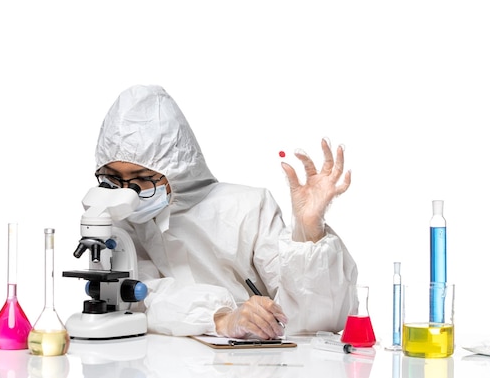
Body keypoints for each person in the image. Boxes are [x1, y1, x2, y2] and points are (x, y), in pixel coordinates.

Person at [93, 84, 358, 339]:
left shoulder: (248, 208)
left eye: (142, 178)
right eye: (114, 178)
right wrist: (221, 318)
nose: (128, 193)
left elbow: (322, 320)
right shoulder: (120, 220)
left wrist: (309, 230)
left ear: (176, 169)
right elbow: (138, 299)